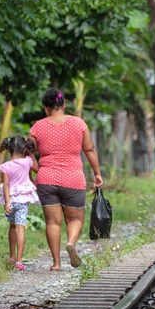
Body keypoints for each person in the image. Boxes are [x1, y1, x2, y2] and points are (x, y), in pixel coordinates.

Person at [29, 88, 103, 271]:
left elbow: (28, 153)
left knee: (53, 222)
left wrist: (36, 171)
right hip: (73, 178)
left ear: (46, 108)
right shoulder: (79, 124)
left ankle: (56, 263)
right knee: (75, 219)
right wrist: (97, 173)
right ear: (64, 105)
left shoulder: (37, 127)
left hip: (46, 179)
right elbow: (90, 150)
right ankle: (70, 242)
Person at [0, 135, 39, 270]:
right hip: (23, 201)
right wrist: (31, 153)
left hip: (11, 201)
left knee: (12, 227)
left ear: (9, 149)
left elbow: (6, 185)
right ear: (25, 149)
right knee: (20, 229)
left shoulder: (5, 166)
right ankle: (19, 261)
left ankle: (11, 255)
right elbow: (37, 169)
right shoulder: (27, 162)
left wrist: (7, 203)